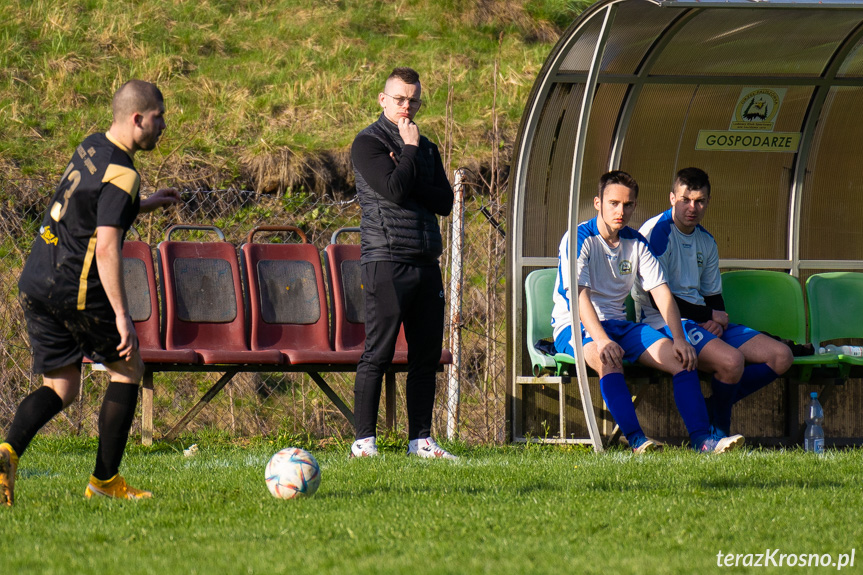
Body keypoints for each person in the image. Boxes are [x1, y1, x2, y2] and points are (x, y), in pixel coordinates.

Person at [0, 80, 181, 506]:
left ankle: (6, 452)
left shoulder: (91, 145)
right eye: (158, 117)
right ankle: (104, 482)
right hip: (74, 287)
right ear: (138, 119)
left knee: (62, 387)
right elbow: (104, 244)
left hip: (37, 279)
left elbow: (89, 203)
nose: (163, 125)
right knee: (128, 366)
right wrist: (121, 314)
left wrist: (147, 202)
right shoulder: (124, 173)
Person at [551, 170, 744, 454]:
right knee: (608, 359)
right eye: (614, 203)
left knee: (683, 358)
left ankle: (703, 441)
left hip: (620, 325)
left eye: (628, 205)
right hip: (577, 325)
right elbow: (579, 296)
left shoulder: (636, 242)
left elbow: (662, 292)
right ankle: (637, 440)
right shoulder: (579, 237)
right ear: (597, 203)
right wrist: (602, 339)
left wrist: (680, 338)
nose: (621, 211)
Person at [633, 167, 793, 438]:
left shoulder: (706, 240)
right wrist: (709, 315)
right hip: (662, 322)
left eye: (700, 201)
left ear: (708, 202)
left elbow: (713, 294)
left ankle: (715, 407)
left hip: (700, 320)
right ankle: (718, 430)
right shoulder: (657, 232)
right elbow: (655, 296)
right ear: (672, 198)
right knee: (731, 361)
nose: (692, 207)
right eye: (686, 199)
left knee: (781, 356)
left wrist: (715, 319)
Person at [349, 67, 456, 459]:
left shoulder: (426, 147)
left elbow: (444, 202)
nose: (406, 107)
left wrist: (410, 159)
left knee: (425, 356)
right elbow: (392, 191)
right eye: (399, 99)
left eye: (413, 100)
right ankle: (364, 442)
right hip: (387, 258)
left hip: (426, 259)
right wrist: (408, 153)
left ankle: (421, 441)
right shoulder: (367, 143)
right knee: (377, 352)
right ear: (383, 100)